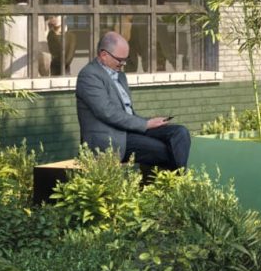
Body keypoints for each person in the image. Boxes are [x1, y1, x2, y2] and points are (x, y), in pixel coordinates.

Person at [75, 31, 190, 170]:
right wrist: (145, 124)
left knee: (180, 132)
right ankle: (179, 185)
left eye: (125, 59)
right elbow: (107, 112)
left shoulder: (120, 75)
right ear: (104, 55)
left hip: (129, 130)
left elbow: (127, 113)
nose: (123, 64)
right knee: (163, 150)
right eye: (119, 59)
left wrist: (151, 122)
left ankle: (179, 183)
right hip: (110, 138)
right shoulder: (89, 76)